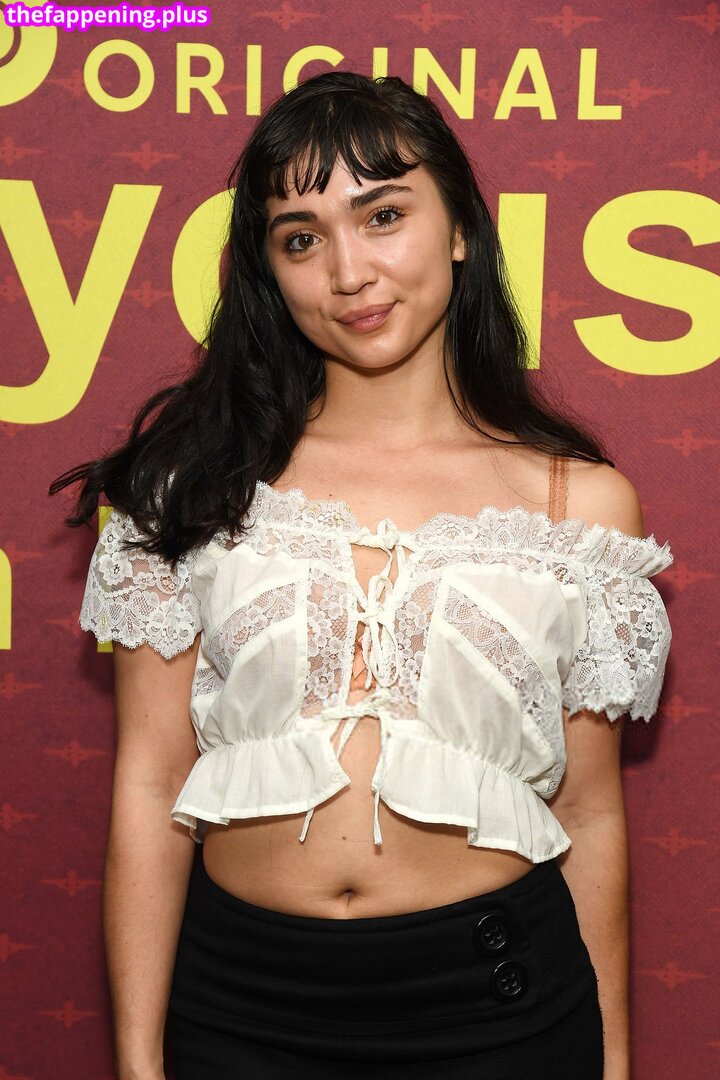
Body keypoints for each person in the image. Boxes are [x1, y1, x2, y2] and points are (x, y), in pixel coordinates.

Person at [50, 71, 673, 1080]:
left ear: (460, 228)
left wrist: (613, 1064)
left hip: (500, 1003)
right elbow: (152, 782)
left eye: (383, 216)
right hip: (239, 1004)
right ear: (269, 271)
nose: (349, 272)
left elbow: (590, 811)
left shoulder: (580, 505)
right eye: (301, 238)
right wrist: (137, 1060)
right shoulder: (194, 484)